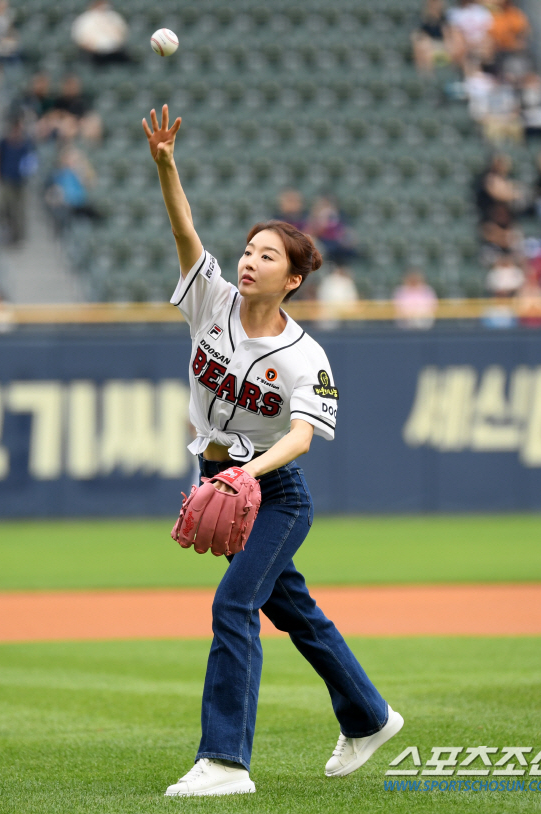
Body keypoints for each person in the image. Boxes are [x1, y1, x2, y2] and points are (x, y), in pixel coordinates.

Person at [143, 105, 403, 797]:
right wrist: (167, 166)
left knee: (233, 606)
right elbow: (183, 229)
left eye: (267, 255)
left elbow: (300, 437)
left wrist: (241, 476)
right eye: (249, 250)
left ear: (293, 277)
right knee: (294, 611)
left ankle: (225, 763)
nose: (249, 260)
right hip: (219, 478)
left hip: (275, 495)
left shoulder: (304, 355)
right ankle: (370, 716)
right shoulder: (211, 302)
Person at [0, 117, 37, 246]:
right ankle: (6, 230)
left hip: (20, 181)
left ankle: (18, 235)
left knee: (19, 209)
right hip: (6, 179)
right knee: (3, 207)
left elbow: (30, 161)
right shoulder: (4, 142)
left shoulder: (25, 143)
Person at [71, 0, 129, 65]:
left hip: (115, 54)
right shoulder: (85, 19)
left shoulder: (114, 17)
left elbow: (122, 33)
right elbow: (80, 39)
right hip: (93, 55)